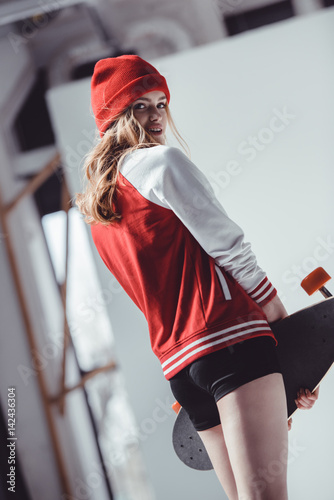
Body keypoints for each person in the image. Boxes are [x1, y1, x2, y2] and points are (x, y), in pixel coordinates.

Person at [75, 55, 318, 500]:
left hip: (184, 372)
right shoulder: (161, 163)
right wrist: (278, 319)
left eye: (160, 103)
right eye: (140, 105)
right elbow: (227, 243)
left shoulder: (100, 210)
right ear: (115, 117)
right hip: (233, 338)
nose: (155, 116)